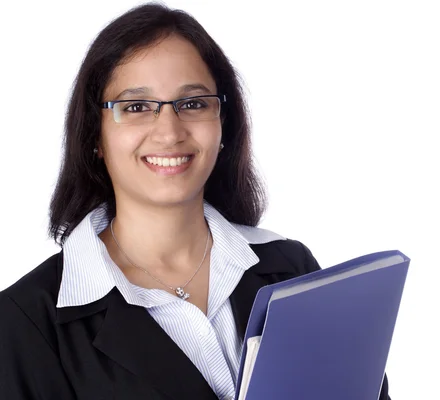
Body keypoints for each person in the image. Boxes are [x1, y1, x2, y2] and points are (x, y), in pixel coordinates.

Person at [0, 3, 392, 399]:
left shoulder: (290, 271)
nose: (169, 133)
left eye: (193, 104)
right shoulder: (25, 324)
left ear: (224, 123)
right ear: (95, 136)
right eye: (136, 107)